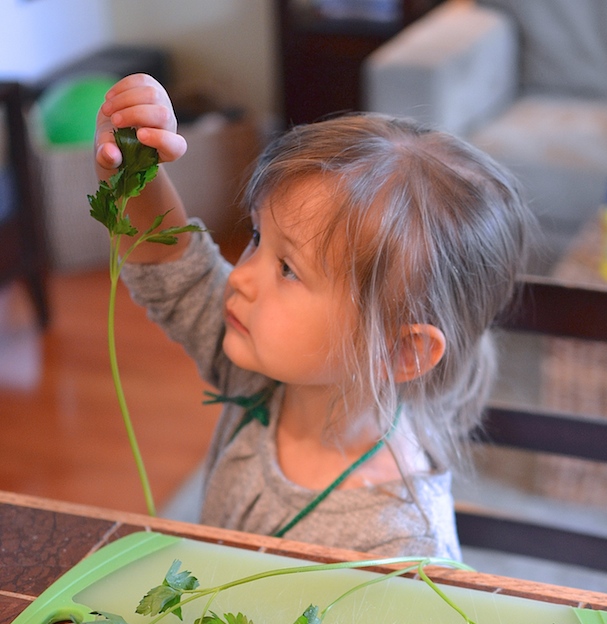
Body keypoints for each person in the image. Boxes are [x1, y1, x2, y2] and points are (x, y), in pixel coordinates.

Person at [94, 74, 533, 559]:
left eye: (288, 269)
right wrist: (134, 166)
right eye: (258, 238)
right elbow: (176, 271)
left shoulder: (401, 543)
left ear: (401, 350)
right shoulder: (257, 368)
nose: (239, 277)